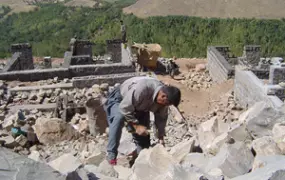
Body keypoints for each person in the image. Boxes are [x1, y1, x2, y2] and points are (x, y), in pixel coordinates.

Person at [103, 76, 181, 165]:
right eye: (166, 103)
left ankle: (139, 160)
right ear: (163, 96)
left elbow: (161, 119)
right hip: (120, 99)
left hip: (140, 106)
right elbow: (124, 108)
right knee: (119, 118)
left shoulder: (163, 102)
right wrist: (136, 126)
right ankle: (111, 156)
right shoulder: (142, 89)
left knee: (144, 143)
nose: (165, 106)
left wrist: (161, 137)